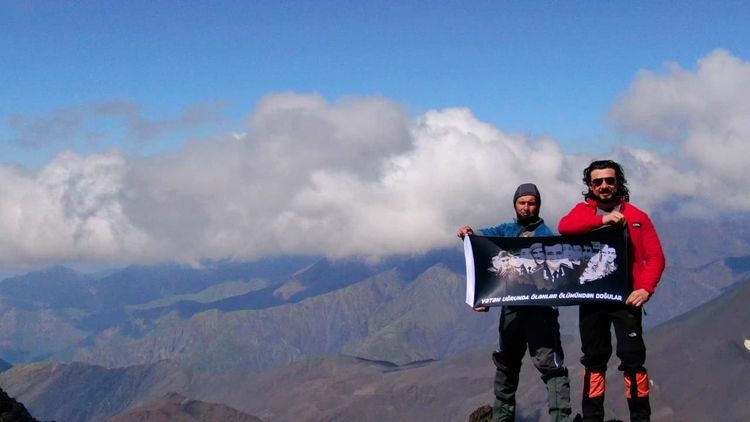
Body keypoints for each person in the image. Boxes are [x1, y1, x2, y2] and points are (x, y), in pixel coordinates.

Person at [558, 160, 665, 422]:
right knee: (594, 360)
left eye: (609, 180)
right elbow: (565, 227)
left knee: (633, 360)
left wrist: (645, 289)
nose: (604, 186)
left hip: (626, 300)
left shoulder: (638, 217)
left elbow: (656, 257)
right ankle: (593, 417)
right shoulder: (582, 212)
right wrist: (602, 220)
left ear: (618, 182)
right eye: (598, 182)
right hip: (593, 299)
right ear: (590, 185)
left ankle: (641, 417)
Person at [458, 183, 572, 422]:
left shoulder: (547, 235)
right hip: (511, 312)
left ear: (538, 206)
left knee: (550, 366)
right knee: (506, 365)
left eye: (531, 203)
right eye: (522, 203)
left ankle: (561, 418)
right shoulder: (506, 229)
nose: (527, 207)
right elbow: (482, 242)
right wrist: (469, 234)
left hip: (541, 312)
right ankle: (502, 418)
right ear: (515, 204)